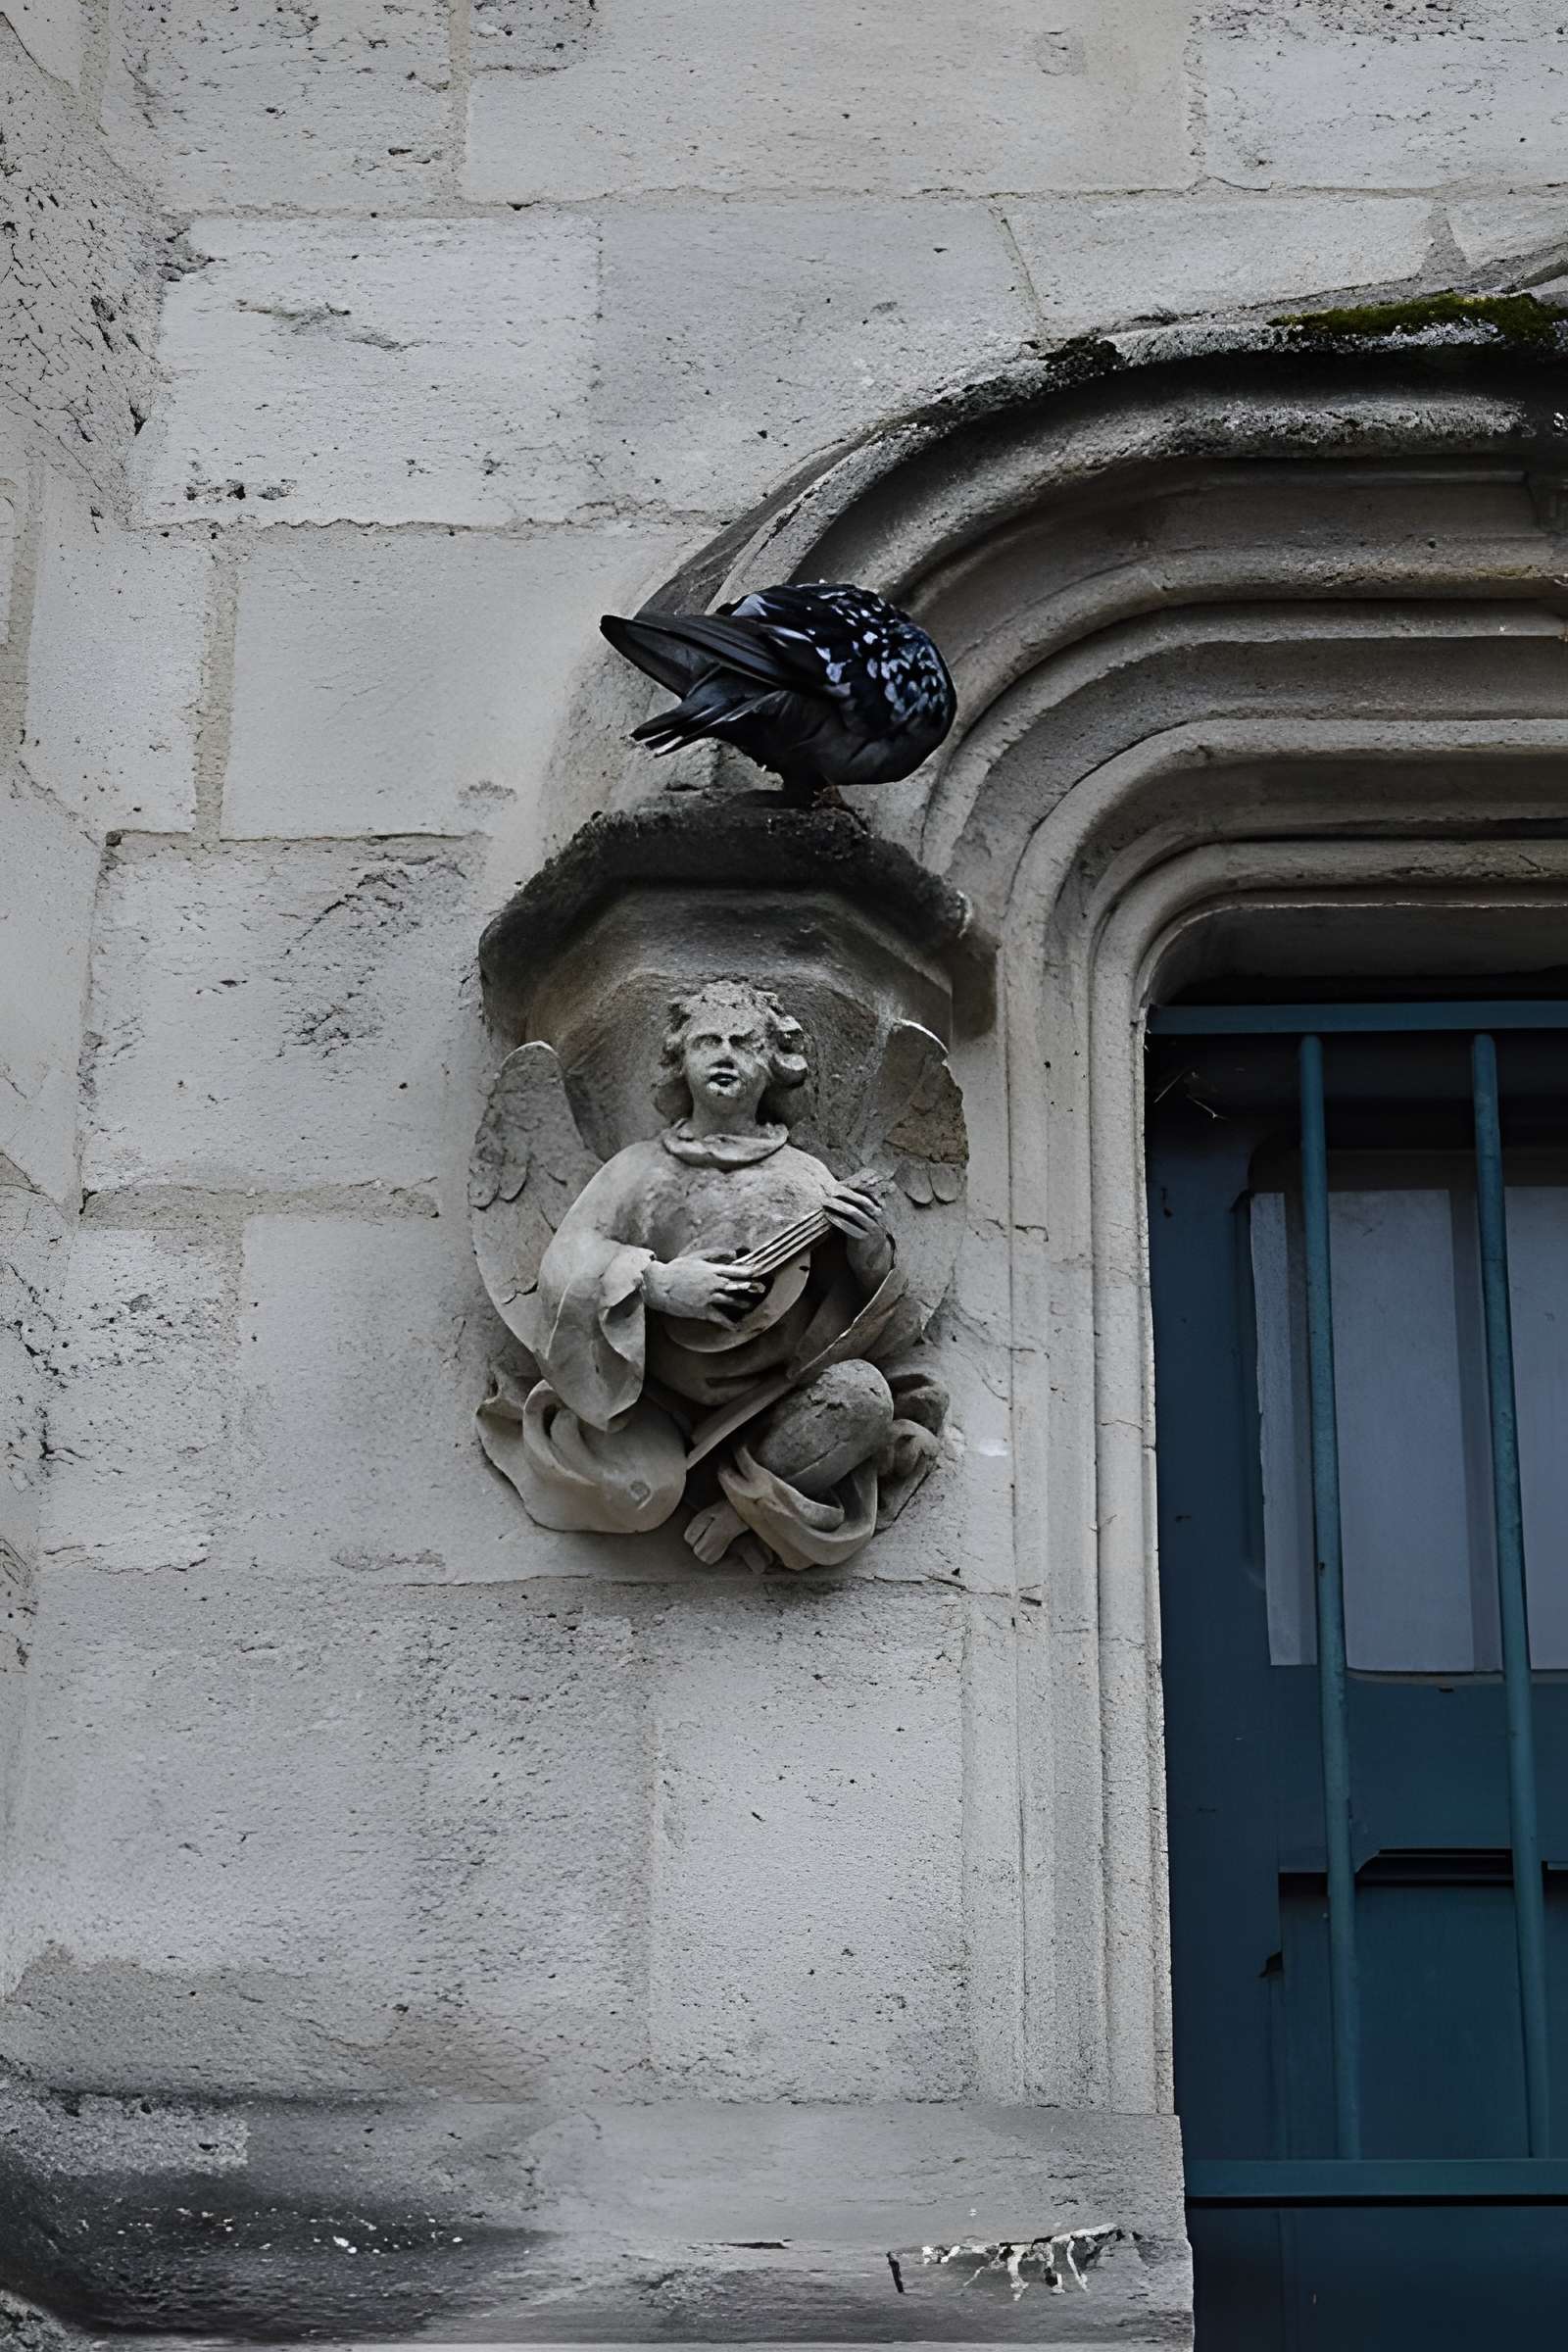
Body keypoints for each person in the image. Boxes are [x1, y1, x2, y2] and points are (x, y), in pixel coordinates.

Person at [513, 978, 931, 1569]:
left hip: (775, 1396)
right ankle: (701, 1478)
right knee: (642, 1494)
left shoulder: (805, 1176)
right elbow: (567, 1263)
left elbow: (877, 1318)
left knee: (862, 1398)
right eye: (708, 1042)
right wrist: (657, 1285)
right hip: (654, 1398)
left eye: (745, 1043)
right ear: (679, 1062)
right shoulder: (638, 1170)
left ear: (775, 1065)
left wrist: (867, 1252)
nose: (726, 1055)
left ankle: (744, 1507)